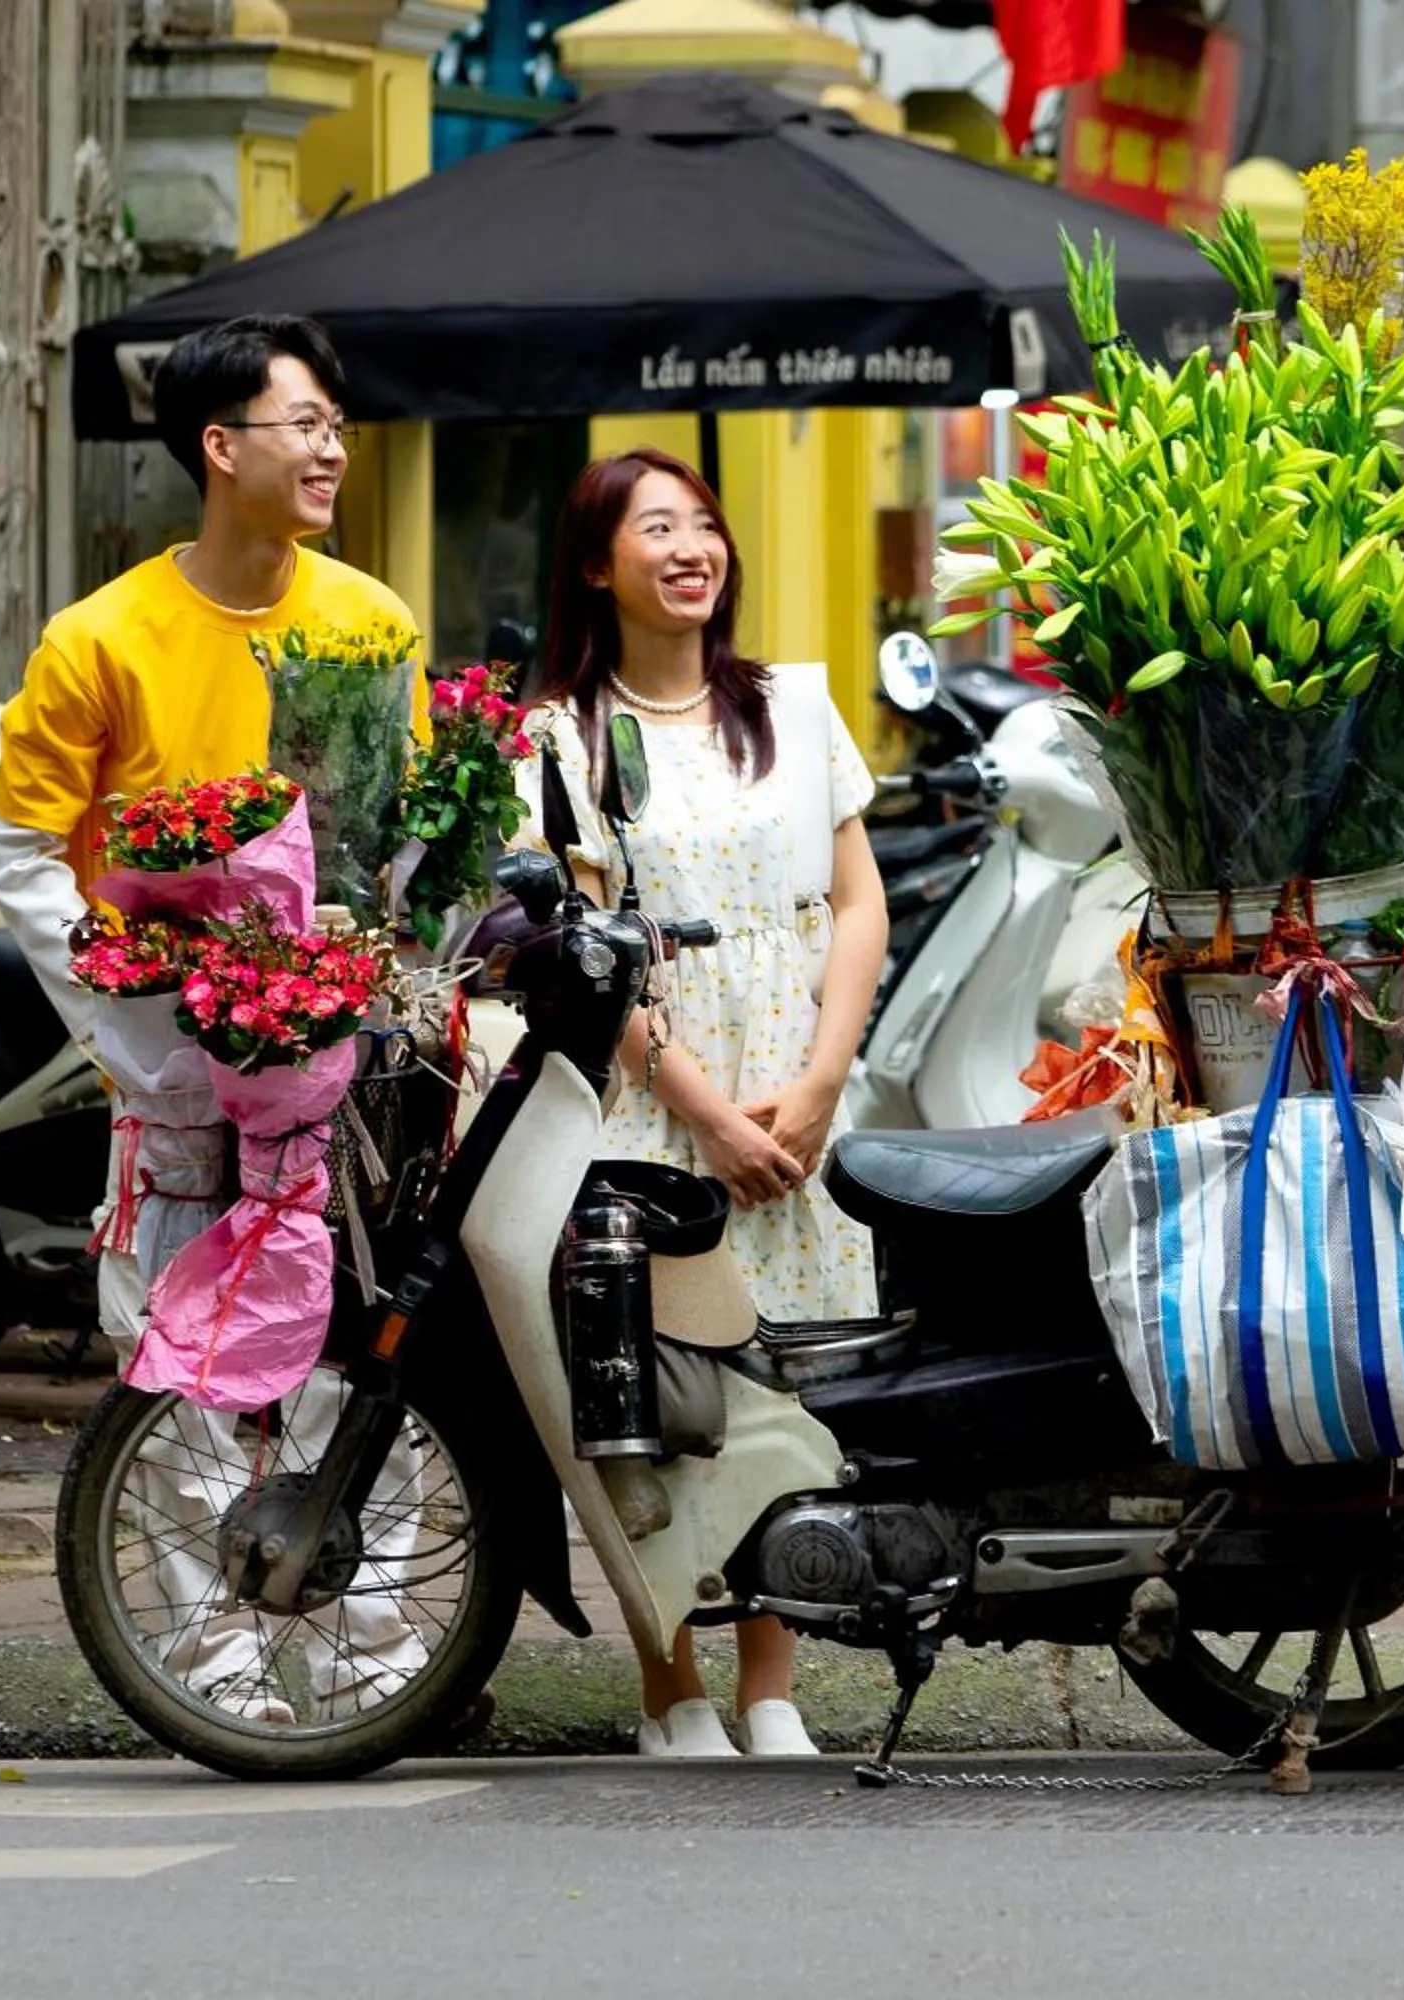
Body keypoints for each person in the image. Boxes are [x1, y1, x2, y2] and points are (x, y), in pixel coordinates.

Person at [0, 313, 441, 1732]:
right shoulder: (101, 639)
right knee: (179, 1359)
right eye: (302, 422)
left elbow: (399, 847)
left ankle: (381, 1661)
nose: (330, 447)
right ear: (219, 445)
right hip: (180, 1073)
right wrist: (148, 1009)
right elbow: (19, 847)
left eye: (337, 424)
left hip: (342, 1077)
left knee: (371, 1357)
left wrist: (385, 976)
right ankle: (217, 1668)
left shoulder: (369, 622)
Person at [519, 447, 888, 1759]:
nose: (692, 548)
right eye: (656, 527)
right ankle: (667, 1683)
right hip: (654, 1106)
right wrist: (710, 1118)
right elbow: (582, 951)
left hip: (796, 1092)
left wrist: (821, 1080)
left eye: (705, 526)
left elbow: (858, 903)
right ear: (594, 563)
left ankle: (771, 1684)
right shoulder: (561, 739)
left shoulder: (792, 704)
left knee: (788, 1395)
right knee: (655, 1399)